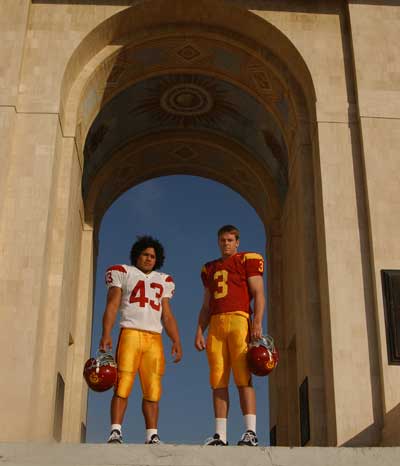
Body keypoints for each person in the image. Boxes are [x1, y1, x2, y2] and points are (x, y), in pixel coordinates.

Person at [100, 235, 182, 445]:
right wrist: (106, 333)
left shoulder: (163, 280)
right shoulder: (124, 272)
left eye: (152, 256)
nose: (148, 259)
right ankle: (115, 431)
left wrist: (176, 340)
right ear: (137, 255)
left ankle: (152, 434)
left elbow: (167, 315)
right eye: (145, 254)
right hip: (130, 333)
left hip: (154, 337)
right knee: (122, 384)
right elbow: (112, 305)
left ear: (157, 259)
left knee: (153, 388)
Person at [195, 224, 265, 446]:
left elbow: (259, 293)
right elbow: (206, 305)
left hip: (239, 319)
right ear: (218, 242)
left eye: (230, 240)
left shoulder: (245, 260)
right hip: (216, 324)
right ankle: (221, 435)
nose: (226, 244)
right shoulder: (210, 268)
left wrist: (257, 321)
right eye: (223, 240)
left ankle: (250, 432)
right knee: (217, 379)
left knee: (243, 377)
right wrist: (199, 330)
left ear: (237, 242)